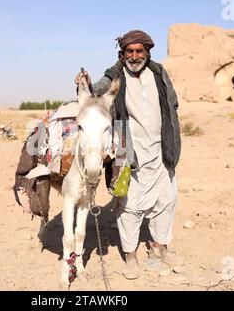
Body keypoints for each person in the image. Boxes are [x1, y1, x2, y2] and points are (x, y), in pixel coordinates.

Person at [75, 30, 182, 280]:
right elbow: (96, 91)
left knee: (167, 199)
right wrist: (85, 83)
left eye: (139, 51)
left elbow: (173, 105)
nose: (135, 56)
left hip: (162, 146)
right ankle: (131, 255)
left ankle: (158, 247)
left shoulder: (158, 73)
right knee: (130, 204)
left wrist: (172, 132)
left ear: (147, 53)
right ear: (122, 54)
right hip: (128, 147)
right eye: (130, 51)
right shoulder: (115, 75)